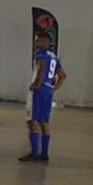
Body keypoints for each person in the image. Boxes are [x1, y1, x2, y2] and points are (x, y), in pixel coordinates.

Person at [22, 29, 66, 162]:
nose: (35, 42)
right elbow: (63, 75)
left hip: (38, 91)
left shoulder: (40, 54)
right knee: (44, 122)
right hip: (48, 91)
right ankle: (44, 154)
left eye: (37, 39)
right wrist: (54, 88)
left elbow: (41, 69)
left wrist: (36, 84)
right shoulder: (54, 57)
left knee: (31, 120)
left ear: (43, 41)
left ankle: (34, 153)